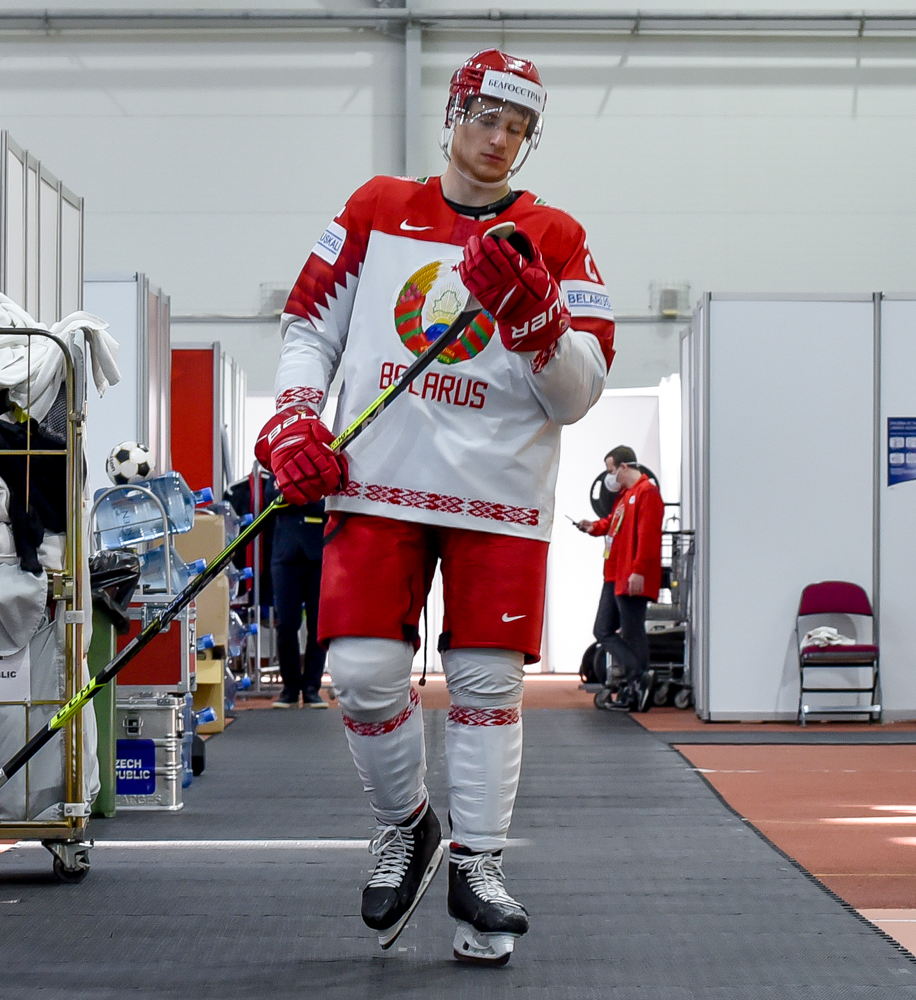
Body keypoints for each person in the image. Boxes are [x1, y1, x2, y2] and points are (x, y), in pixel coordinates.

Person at [254, 49, 613, 966]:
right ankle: (405, 825)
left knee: (488, 683)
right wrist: (294, 418)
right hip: (377, 480)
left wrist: (537, 320)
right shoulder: (377, 208)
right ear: (454, 113)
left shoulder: (557, 236)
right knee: (362, 671)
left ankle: (477, 865)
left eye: (518, 128)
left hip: (501, 494)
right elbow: (308, 325)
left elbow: (578, 394)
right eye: (487, 118)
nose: (499, 140)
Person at [577, 446, 664, 686]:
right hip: (614, 575)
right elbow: (612, 524)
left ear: (623, 467)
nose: (609, 476)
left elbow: (648, 537)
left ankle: (638, 680)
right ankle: (638, 674)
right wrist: (594, 527)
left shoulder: (647, 493)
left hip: (631, 575)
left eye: (611, 470)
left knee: (633, 632)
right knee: (602, 630)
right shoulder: (625, 496)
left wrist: (638, 570)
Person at [270, 498, 329, 709]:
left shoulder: (328, 476)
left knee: (318, 626)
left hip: (319, 554)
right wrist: (310, 498)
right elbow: (273, 499)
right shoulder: (277, 474)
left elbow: (327, 505)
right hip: (285, 556)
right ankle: (290, 689)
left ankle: (312, 688)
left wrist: (297, 498)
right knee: (286, 625)